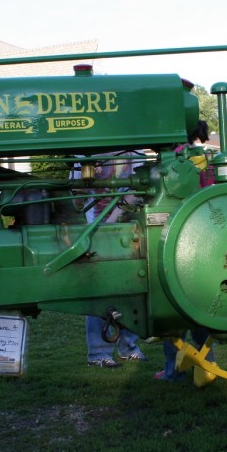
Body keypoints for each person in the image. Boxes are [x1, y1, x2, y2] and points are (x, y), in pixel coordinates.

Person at [156, 121, 214, 380]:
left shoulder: (175, 156)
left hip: (178, 232)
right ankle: (206, 365)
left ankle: (173, 371)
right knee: (200, 305)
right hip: (206, 233)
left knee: (174, 310)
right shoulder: (207, 157)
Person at [85, 151, 148, 368]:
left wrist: (112, 218)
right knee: (100, 291)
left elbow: (137, 189)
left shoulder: (135, 154)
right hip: (95, 229)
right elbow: (76, 190)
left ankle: (128, 347)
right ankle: (98, 353)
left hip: (126, 229)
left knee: (131, 289)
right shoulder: (86, 154)